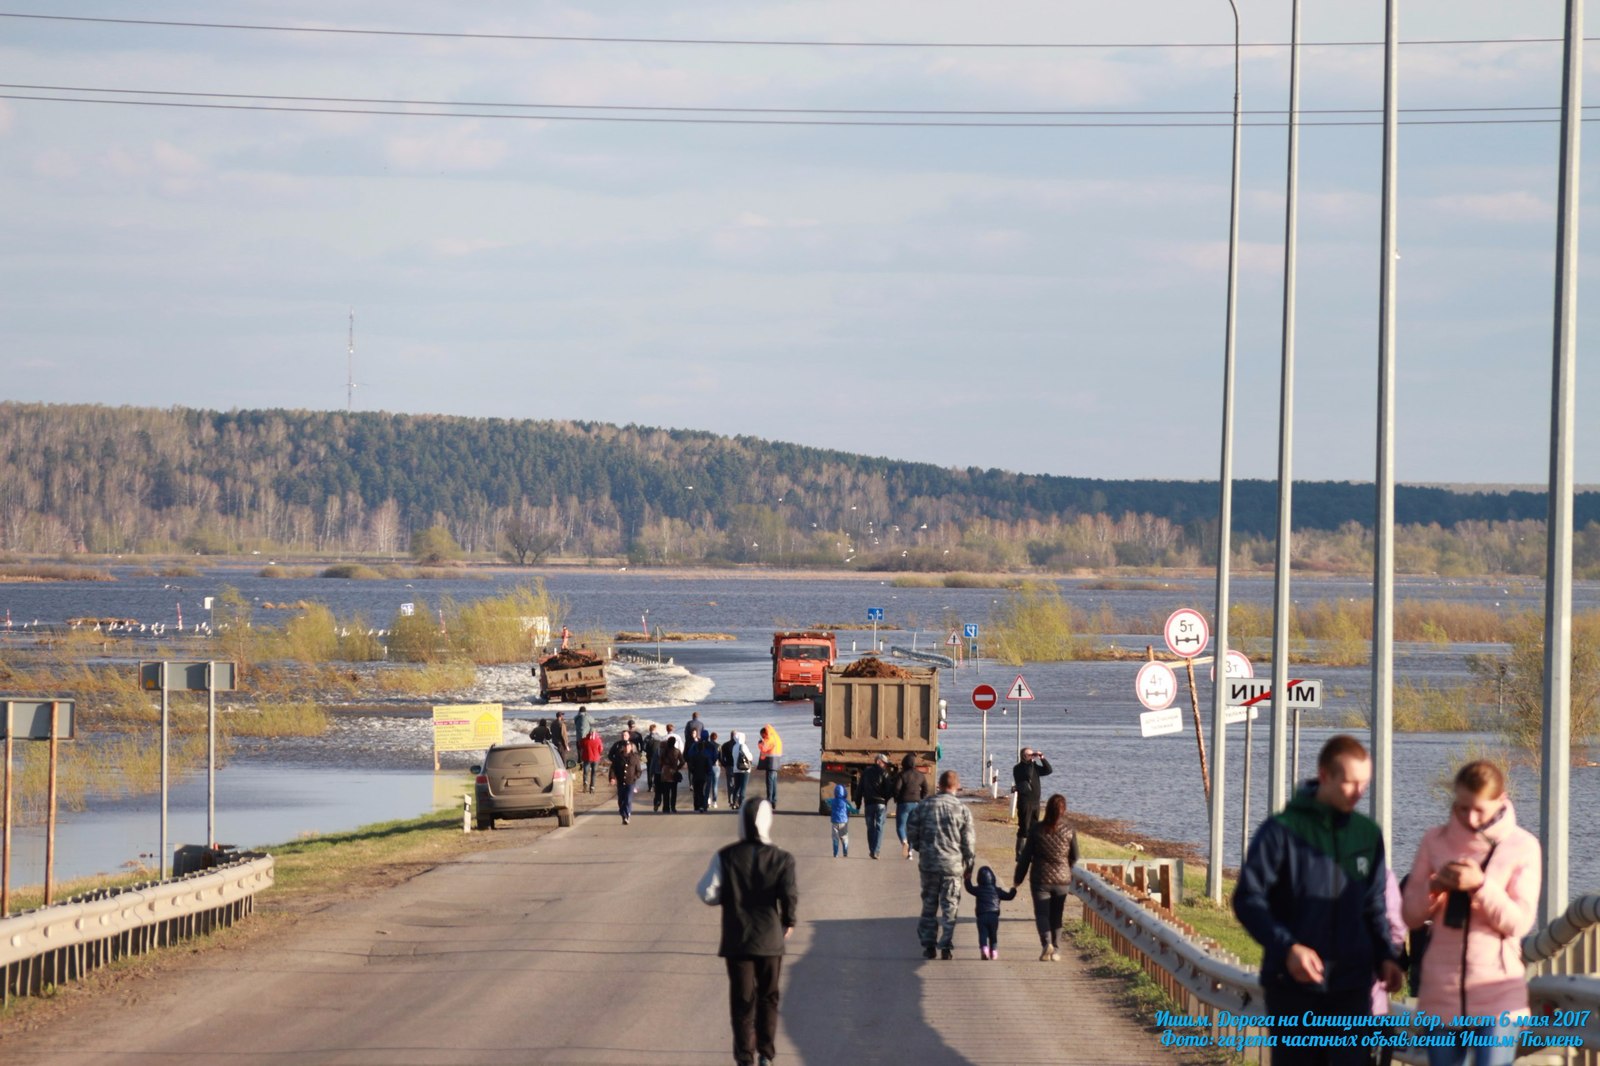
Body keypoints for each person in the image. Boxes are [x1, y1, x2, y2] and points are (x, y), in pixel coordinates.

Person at [1233, 735, 1404, 1064]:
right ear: (1325, 776)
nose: (1358, 793)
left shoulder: (1367, 835)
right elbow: (1247, 900)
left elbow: (1374, 906)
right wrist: (1288, 948)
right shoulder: (1280, 832)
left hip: (1353, 987)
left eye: (1364, 784)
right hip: (1293, 987)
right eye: (1350, 783)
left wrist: (1386, 955)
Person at [1401, 759, 1541, 1065]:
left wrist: (1480, 886)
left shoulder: (1523, 846)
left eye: (1479, 809)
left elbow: (1519, 922)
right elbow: (1410, 916)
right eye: (1463, 807)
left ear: (1501, 800)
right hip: (1442, 989)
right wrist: (1435, 886)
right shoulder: (1434, 841)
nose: (1471, 818)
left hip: (1498, 993)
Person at [697, 800, 797, 1066]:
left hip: (737, 938)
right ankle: (766, 1053)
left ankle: (745, 1057)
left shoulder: (726, 856)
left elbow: (707, 893)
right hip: (770, 939)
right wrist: (789, 921)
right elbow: (788, 895)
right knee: (769, 997)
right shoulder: (782, 859)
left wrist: (727, 896)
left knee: (742, 1001)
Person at [905, 769, 975, 961]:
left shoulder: (924, 805)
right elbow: (968, 842)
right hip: (953, 866)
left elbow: (911, 830)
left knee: (929, 905)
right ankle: (946, 945)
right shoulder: (962, 810)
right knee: (950, 906)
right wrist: (969, 865)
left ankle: (929, 945)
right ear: (956, 787)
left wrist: (921, 847)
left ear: (940, 785)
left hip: (929, 864)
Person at [1013, 793, 1078, 961]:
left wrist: (1018, 878)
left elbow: (1026, 856)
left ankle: (1046, 943)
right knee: (1057, 915)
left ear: (1047, 808)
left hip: (1040, 878)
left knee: (1042, 914)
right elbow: (1075, 856)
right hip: (1062, 880)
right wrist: (1067, 868)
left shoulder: (1036, 829)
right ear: (1063, 811)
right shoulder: (1069, 830)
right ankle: (1056, 950)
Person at [964, 864, 1017, 960]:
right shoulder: (998, 891)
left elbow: (969, 888)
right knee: (993, 934)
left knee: (983, 934)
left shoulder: (978, 890)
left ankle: (984, 948)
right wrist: (1014, 889)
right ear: (993, 878)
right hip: (994, 916)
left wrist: (967, 879)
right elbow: (1009, 896)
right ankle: (994, 951)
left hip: (982, 916)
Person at [1011, 747, 1053, 860]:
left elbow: (1049, 770)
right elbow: (1026, 774)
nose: (1032, 756)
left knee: (1034, 828)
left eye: (1032, 754)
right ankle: (1020, 854)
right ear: (1024, 756)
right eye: (1029, 755)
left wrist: (1042, 758)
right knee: (1024, 828)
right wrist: (1031, 761)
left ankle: (1032, 853)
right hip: (1025, 802)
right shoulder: (1018, 768)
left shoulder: (1034, 767)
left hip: (1035, 802)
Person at [854, 753, 894, 859]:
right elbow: (889, 790)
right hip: (881, 804)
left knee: (870, 827)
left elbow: (859, 789)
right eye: (884, 763)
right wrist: (885, 800)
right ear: (878, 761)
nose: (885, 766)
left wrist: (858, 804)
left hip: (869, 804)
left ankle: (872, 850)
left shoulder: (865, 773)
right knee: (879, 827)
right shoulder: (884, 773)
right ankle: (876, 851)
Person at [893, 753, 929, 861]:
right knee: (912, 828)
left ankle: (904, 842)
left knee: (900, 826)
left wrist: (897, 798)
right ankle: (910, 852)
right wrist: (921, 798)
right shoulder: (920, 775)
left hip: (903, 803)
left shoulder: (902, 775)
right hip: (916, 804)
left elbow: (896, 789)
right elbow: (926, 789)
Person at [608, 731, 642, 825]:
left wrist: (635, 777)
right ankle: (624, 815)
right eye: (622, 735)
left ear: (630, 747)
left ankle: (626, 815)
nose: (627, 747)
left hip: (630, 781)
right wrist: (612, 778)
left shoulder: (634, 757)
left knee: (628, 799)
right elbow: (613, 767)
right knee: (621, 800)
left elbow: (639, 770)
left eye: (628, 746)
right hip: (620, 780)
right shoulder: (618, 752)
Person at [688, 730, 718, 812]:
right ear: (708, 736)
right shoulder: (711, 746)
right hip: (708, 769)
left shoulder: (695, 745)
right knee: (706, 788)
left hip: (697, 769)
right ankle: (704, 805)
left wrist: (692, 767)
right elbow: (715, 756)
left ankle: (697, 805)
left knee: (697, 788)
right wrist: (711, 762)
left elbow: (690, 755)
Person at [826, 783, 858, 858]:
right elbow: (851, 810)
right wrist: (856, 811)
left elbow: (826, 801)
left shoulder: (833, 801)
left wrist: (830, 803)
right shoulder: (845, 802)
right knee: (844, 837)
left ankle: (835, 853)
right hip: (844, 822)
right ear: (844, 792)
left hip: (834, 822)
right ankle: (845, 851)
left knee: (835, 838)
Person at [725, 731, 754, 810]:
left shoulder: (734, 746)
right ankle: (741, 804)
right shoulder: (743, 746)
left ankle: (734, 803)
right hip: (744, 770)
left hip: (736, 769)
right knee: (743, 787)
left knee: (736, 787)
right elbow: (750, 757)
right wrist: (751, 756)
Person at [656, 732, 684, 814]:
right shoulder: (677, 751)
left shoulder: (664, 751)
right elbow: (682, 762)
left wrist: (662, 768)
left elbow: (660, 762)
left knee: (666, 791)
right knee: (674, 791)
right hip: (673, 772)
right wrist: (677, 768)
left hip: (665, 772)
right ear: (674, 743)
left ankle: (666, 808)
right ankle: (673, 807)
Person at [758, 725, 783, 804]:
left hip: (770, 762)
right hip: (776, 761)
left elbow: (764, 748)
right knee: (774, 782)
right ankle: (774, 799)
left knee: (769, 782)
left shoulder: (769, 739)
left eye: (762, 735)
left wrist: (760, 743)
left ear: (765, 733)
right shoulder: (776, 738)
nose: (762, 736)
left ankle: (769, 799)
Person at [578, 727, 604, 793]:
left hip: (587, 758)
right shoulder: (598, 740)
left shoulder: (584, 740)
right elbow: (601, 749)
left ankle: (585, 782)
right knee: (593, 773)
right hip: (595, 758)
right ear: (595, 732)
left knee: (585, 772)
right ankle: (592, 787)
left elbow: (581, 746)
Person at [644, 723, 663, 793]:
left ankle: (650, 786)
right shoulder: (660, 737)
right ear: (655, 729)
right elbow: (662, 746)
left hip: (649, 756)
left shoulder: (647, 738)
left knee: (649, 771)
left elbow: (644, 748)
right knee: (657, 771)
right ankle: (656, 785)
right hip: (658, 756)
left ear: (649, 730)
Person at [707, 731, 721, 810]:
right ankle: (714, 802)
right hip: (716, 766)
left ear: (710, 737)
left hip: (708, 766)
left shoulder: (707, 745)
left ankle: (708, 800)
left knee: (708, 784)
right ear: (716, 738)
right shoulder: (719, 746)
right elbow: (720, 757)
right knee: (715, 785)